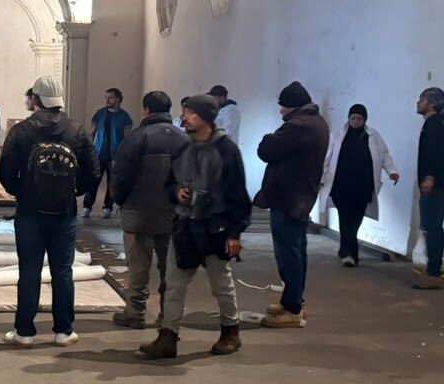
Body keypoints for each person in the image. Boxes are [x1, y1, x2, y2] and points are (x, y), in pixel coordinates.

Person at [139, 95, 251, 359]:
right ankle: (168, 336)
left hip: (216, 229)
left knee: (221, 284)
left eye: (191, 113)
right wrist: (177, 192)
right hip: (185, 228)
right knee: (174, 285)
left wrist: (235, 233)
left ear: (207, 117)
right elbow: (169, 183)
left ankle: (230, 332)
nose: (185, 117)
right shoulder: (183, 148)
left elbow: (238, 195)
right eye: (185, 112)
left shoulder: (227, 150)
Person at [0, 76, 99, 347]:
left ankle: (24, 332)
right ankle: (64, 331)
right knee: (63, 272)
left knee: (29, 271)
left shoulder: (21, 131)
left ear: (36, 99)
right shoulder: (76, 131)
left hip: (29, 214)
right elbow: (93, 172)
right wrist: (73, 193)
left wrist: (22, 193)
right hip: (64, 214)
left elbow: (5, 172)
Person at [109, 91, 189, 329]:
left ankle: (135, 312)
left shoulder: (136, 137)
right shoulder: (183, 139)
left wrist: (121, 201)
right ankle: (168, 314)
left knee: (138, 269)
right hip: (173, 216)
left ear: (146, 110)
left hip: (138, 214)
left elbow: (120, 175)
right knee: (170, 269)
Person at [255, 81, 330, 329]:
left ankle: (293, 309)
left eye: (283, 106)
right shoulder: (316, 123)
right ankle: (291, 301)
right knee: (295, 251)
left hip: (289, 197)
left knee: (289, 253)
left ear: (293, 106)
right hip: (299, 196)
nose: (281, 111)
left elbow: (266, 150)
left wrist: (268, 137)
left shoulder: (299, 126)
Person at [320, 104, 400, 267]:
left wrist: (392, 171)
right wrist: (321, 176)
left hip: (363, 186)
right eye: (353, 118)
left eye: (359, 119)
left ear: (364, 120)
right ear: (348, 118)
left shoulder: (373, 136)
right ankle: (350, 253)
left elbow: (384, 155)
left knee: (356, 219)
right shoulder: (337, 135)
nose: (356, 121)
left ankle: (346, 250)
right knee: (345, 218)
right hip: (341, 185)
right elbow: (327, 157)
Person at [414, 87, 444, 290]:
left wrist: (430, 178)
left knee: (432, 229)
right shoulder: (435, 124)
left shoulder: (434, 125)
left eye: (422, 99)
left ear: (432, 104)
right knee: (432, 228)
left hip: (438, 185)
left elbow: (437, 154)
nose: (418, 102)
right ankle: (432, 269)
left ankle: (433, 273)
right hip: (442, 184)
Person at [83, 87, 133, 218]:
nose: (107, 100)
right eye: (106, 97)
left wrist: (124, 156)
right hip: (99, 152)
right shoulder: (99, 114)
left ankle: (108, 207)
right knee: (93, 180)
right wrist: (89, 150)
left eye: (110, 97)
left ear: (118, 99)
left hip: (115, 155)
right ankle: (87, 206)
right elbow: (92, 132)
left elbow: (127, 138)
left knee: (112, 182)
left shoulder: (125, 117)